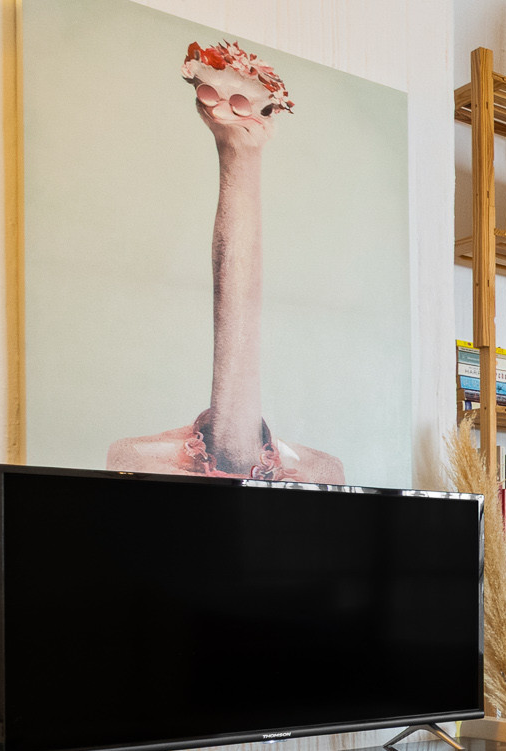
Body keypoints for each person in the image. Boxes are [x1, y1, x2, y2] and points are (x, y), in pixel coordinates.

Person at [108, 40, 345, 483]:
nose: (220, 109)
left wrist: (242, 152)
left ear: (269, 114)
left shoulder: (324, 472)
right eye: (209, 95)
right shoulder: (133, 460)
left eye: (239, 103)